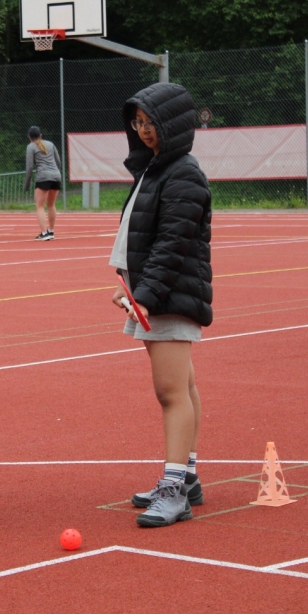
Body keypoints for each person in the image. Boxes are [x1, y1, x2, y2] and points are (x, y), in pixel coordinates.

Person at [109, 82, 212, 528]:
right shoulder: (156, 168)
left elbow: (173, 244)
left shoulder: (183, 173)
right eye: (138, 123)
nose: (143, 130)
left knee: (170, 393)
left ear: (172, 125)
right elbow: (144, 237)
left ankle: (175, 490)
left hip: (168, 296)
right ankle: (185, 476)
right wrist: (129, 285)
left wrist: (146, 295)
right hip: (153, 292)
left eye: (150, 123)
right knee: (183, 387)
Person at [22, 126, 62, 241]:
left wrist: (27, 183)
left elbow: (29, 167)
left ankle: (44, 233)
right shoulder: (50, 144)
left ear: (29, 137)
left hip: (43, 177)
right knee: (51, 205)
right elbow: (58, 161)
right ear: (41, 135)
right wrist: (56, 174)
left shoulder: (30, 147)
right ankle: (51, 231)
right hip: (55, 176)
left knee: (40, 206)